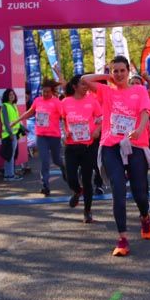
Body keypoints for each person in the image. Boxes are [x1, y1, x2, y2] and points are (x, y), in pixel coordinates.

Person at [84, 56, 150, 257]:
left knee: (139, 192)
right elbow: (84, 79)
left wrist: (140, 129)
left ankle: (144, 216)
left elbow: (144, 113)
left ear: (128, 71)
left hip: (134, 144)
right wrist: (107, 76)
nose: (118, 74)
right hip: (110, 144)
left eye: (122, 70)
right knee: (118, 188)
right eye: (115, 71)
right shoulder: (106, 91)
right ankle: (122, 238)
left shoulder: (139, 90)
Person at [61, 75, 103, 223]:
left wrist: (97, 129)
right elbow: (60, 120)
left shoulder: (92, 101)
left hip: (88, 146)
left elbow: (101, 118)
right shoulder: (65, 102)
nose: (86, 86)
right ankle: (77, 191)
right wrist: (64, 132)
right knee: (70, 176)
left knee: (87, 179)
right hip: (71, 146)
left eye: (87, 84)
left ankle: (87, 210)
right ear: (74, 86)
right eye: (83, 84)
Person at [18, 79, 65, 197]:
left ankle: (65, 168)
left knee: (57, 160)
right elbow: (29, 112)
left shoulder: (56, 102)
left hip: (54, 136)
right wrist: (17, 120)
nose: (45, 94)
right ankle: (45, 186)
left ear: (52, 92)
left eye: (48, 92)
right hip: (41, 136)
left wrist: (68, 130)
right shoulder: (37, 100)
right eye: (43, 92)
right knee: (44, 161)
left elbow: (64, 116)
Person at [0, 88, 24, 181]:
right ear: (6, 96)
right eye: (10, 94)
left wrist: (23, 128)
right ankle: (9, 176)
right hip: (9, 135)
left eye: (13, 94)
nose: (12, 96)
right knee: (9, 156)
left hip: (14, 134)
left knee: (11, 156)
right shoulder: (5, 106)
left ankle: (9, 174)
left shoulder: (13, 105)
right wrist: (10, 133)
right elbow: (6, 122)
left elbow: (16, 120)